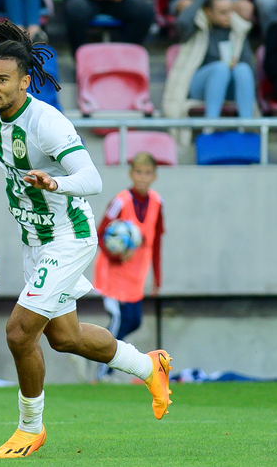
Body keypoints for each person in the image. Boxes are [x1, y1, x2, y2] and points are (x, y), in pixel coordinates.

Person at [0, 18, 172, 459]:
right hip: (36, 242)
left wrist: (56, 183)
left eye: (2, 79)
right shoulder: (0, 115)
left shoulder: (47, 121)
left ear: (24, 82)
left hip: (69, 238)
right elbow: (2, 145)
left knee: (18, 332)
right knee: (64, 337)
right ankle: (149, 366)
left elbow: (92, 178)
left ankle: (30, 428)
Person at [92, 152, 163, 381]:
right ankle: (103, 372)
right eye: (138, 172)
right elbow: (100, 233)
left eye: (147, 173)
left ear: (154, 176)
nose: (142, 177)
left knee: (135, 321)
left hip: (135, 277)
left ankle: (92, 349)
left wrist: (157, 277)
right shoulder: (120, 201)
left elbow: (156, 241)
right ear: (131, 174)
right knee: (119, 319)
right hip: (113, 274)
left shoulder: (157, 203)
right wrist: (116, 256)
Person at [163, 0, 257, 122]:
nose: (228, 16)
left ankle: (247, 124)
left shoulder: (238, 30)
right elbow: (182, 22)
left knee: (243, 69)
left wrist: (237, 63)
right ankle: (211, 123)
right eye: (222, 12)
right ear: (208, 12)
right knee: (221, 68)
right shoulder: (196, 27)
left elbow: (252, 73)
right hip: (198, 87)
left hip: (229, 88)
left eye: (230, 11)